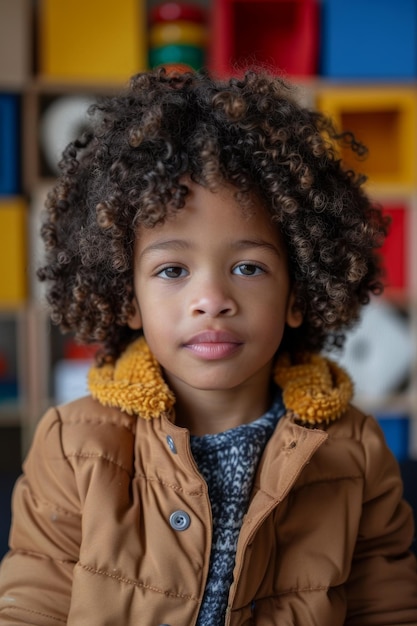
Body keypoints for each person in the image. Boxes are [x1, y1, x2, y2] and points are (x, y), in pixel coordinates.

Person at [0, 68, 416, 626]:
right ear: (129, 300)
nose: (212, 299)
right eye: (172, 269)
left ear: (298, 295)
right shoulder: (73, 447)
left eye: (248, 267)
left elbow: (387, 609)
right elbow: (31, 607)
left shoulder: (356, 452)